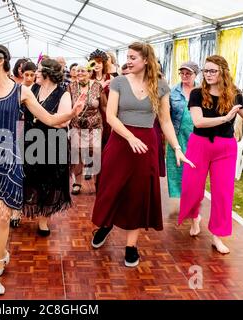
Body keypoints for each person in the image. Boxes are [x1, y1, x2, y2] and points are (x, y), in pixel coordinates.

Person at [0, 44, 85, 295]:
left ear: (1, 60)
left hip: (9, 156)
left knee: (3, 217)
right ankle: (2, 252)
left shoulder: (22, 91)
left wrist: (72, 112)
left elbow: (50, 120)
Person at [90, 42, 194, 267]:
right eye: (127, 56)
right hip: (120, 141)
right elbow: (111, 116)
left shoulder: (161, 86)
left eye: (133, 57)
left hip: (146, 144)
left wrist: (177, 148)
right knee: (111, 189)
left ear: (146, 60)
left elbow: (165, 121)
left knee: (139, 194)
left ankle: (131, 246)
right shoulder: (118, 82)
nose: (128, 60)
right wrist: (129, 137)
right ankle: (106, 224)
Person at [178, 55, 243, 254]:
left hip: (225, 148)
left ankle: (217, 236)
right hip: (199, 145)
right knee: (192, 189)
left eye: (212, 71)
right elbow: (199, 122)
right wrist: (226, 118)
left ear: (223, 72)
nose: (208, 74)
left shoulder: (234, 94)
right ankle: (195, 217)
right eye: (206, 71)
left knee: (223, 193)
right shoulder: (197, 93)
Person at [23, 58, 72, 236]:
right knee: (28, 179)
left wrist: (46, 118)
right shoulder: (32, 90)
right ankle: (20, 210)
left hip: (53, 144)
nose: (35, 73)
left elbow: (63, 122)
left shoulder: (63, 94)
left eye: (38, 70)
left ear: (48, 73)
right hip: (31, 141)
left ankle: (43, 219)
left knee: (48, 182)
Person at [69, 63, 107, 194]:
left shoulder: (97, 86)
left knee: (95, 154)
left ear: (90, 73)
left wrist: (111, 124)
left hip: (94, 126)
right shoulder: (71, 87)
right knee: (77, 154)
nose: (79, 73)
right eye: (78, 71)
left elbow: (104, 106)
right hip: (76, 126)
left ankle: (97, 182)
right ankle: (77, 183)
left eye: (83, 71)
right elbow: (68, 107)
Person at [166, 62, 199, 206]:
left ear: (195, 75)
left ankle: (193, 195)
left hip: (197, 133)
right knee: (177, 165)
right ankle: (181, 197)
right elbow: (166, 115)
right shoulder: (173, 92)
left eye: (188, 73)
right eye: (182, 73)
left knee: (195, 166)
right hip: (177, 132)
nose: (184, 76)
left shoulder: (202, 91)